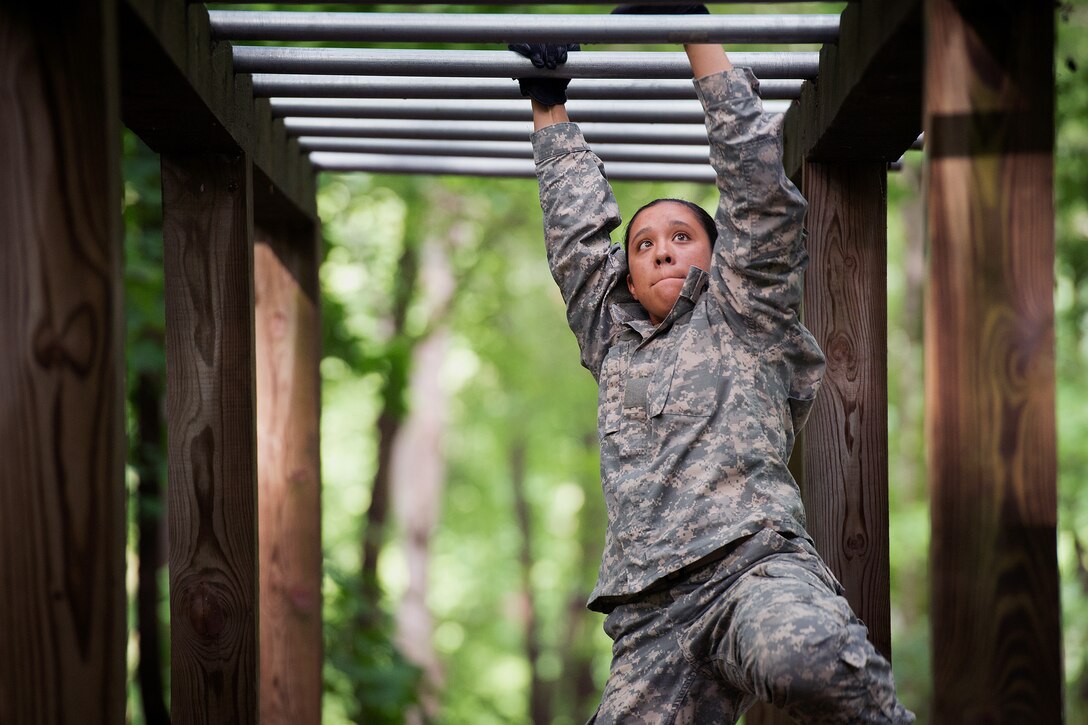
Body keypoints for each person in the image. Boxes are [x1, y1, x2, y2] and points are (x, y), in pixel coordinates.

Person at [509, 4, 915, 724]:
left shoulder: (744, 308)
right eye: (643, 244)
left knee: (809, 660)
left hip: (752, 568)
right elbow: (575, 241)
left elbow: (758, 191)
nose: (662, 249)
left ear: (717, 252)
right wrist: (548, 102)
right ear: (627, 276)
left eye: (681, 235)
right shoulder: (611, 336)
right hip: (649, 615)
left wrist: (695, 33)